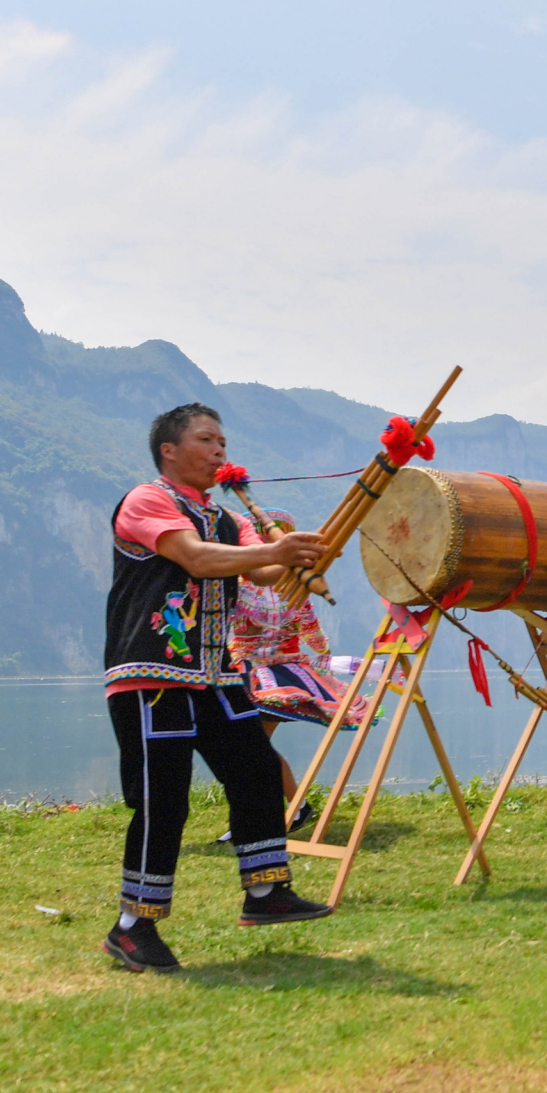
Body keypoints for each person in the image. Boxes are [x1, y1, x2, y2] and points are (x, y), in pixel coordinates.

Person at [102, 404, 335, 974]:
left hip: (215, 676)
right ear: (169, 450)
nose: (219, 450)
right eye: (206, 439)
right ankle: (133, 926)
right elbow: (196, 559)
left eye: (223, 441)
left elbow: (264, 571)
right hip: (152, 675)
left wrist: (304, 552)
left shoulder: (229, 519)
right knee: (164, 800)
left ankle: (265, 892)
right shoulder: (147, 501)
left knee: (255, 768)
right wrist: (276, 552)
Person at [214, 506, 372, 843]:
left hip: (263, 676)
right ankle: (286, 809)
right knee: (252, 748)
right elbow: (315, 637)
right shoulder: (289, 590)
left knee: (250, 747)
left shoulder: (248, 585)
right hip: (267, 673)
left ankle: (279, 811)